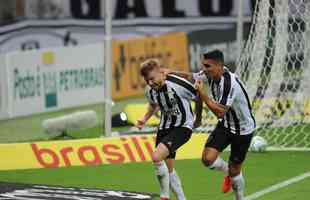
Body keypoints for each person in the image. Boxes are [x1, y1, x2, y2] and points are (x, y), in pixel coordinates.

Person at [165, 50, 256, 200]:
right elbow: (191, 77)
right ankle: (229, 172)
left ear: (219, 65)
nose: (205, 69)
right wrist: (170, 72)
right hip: (226, 125)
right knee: (207, 159)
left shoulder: (229, 83)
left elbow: (220, 112)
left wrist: (203, 94)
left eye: (208, 66)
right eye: (204, 65)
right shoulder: (208, 74)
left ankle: (239, 197)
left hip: (243, 129)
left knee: (236, 171)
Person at [136, 59, 202, 200]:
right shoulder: (149, 90)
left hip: (183, 126)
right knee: (168, 169)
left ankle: (164, 196)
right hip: (164, 128)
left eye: (152, 79)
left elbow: (198, 96)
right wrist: (144, 118)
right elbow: (153, 105)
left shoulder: (177, 83)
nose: (150, 83)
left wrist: (198, 119)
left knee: (156, 157)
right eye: (147, 80)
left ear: (161, 71)